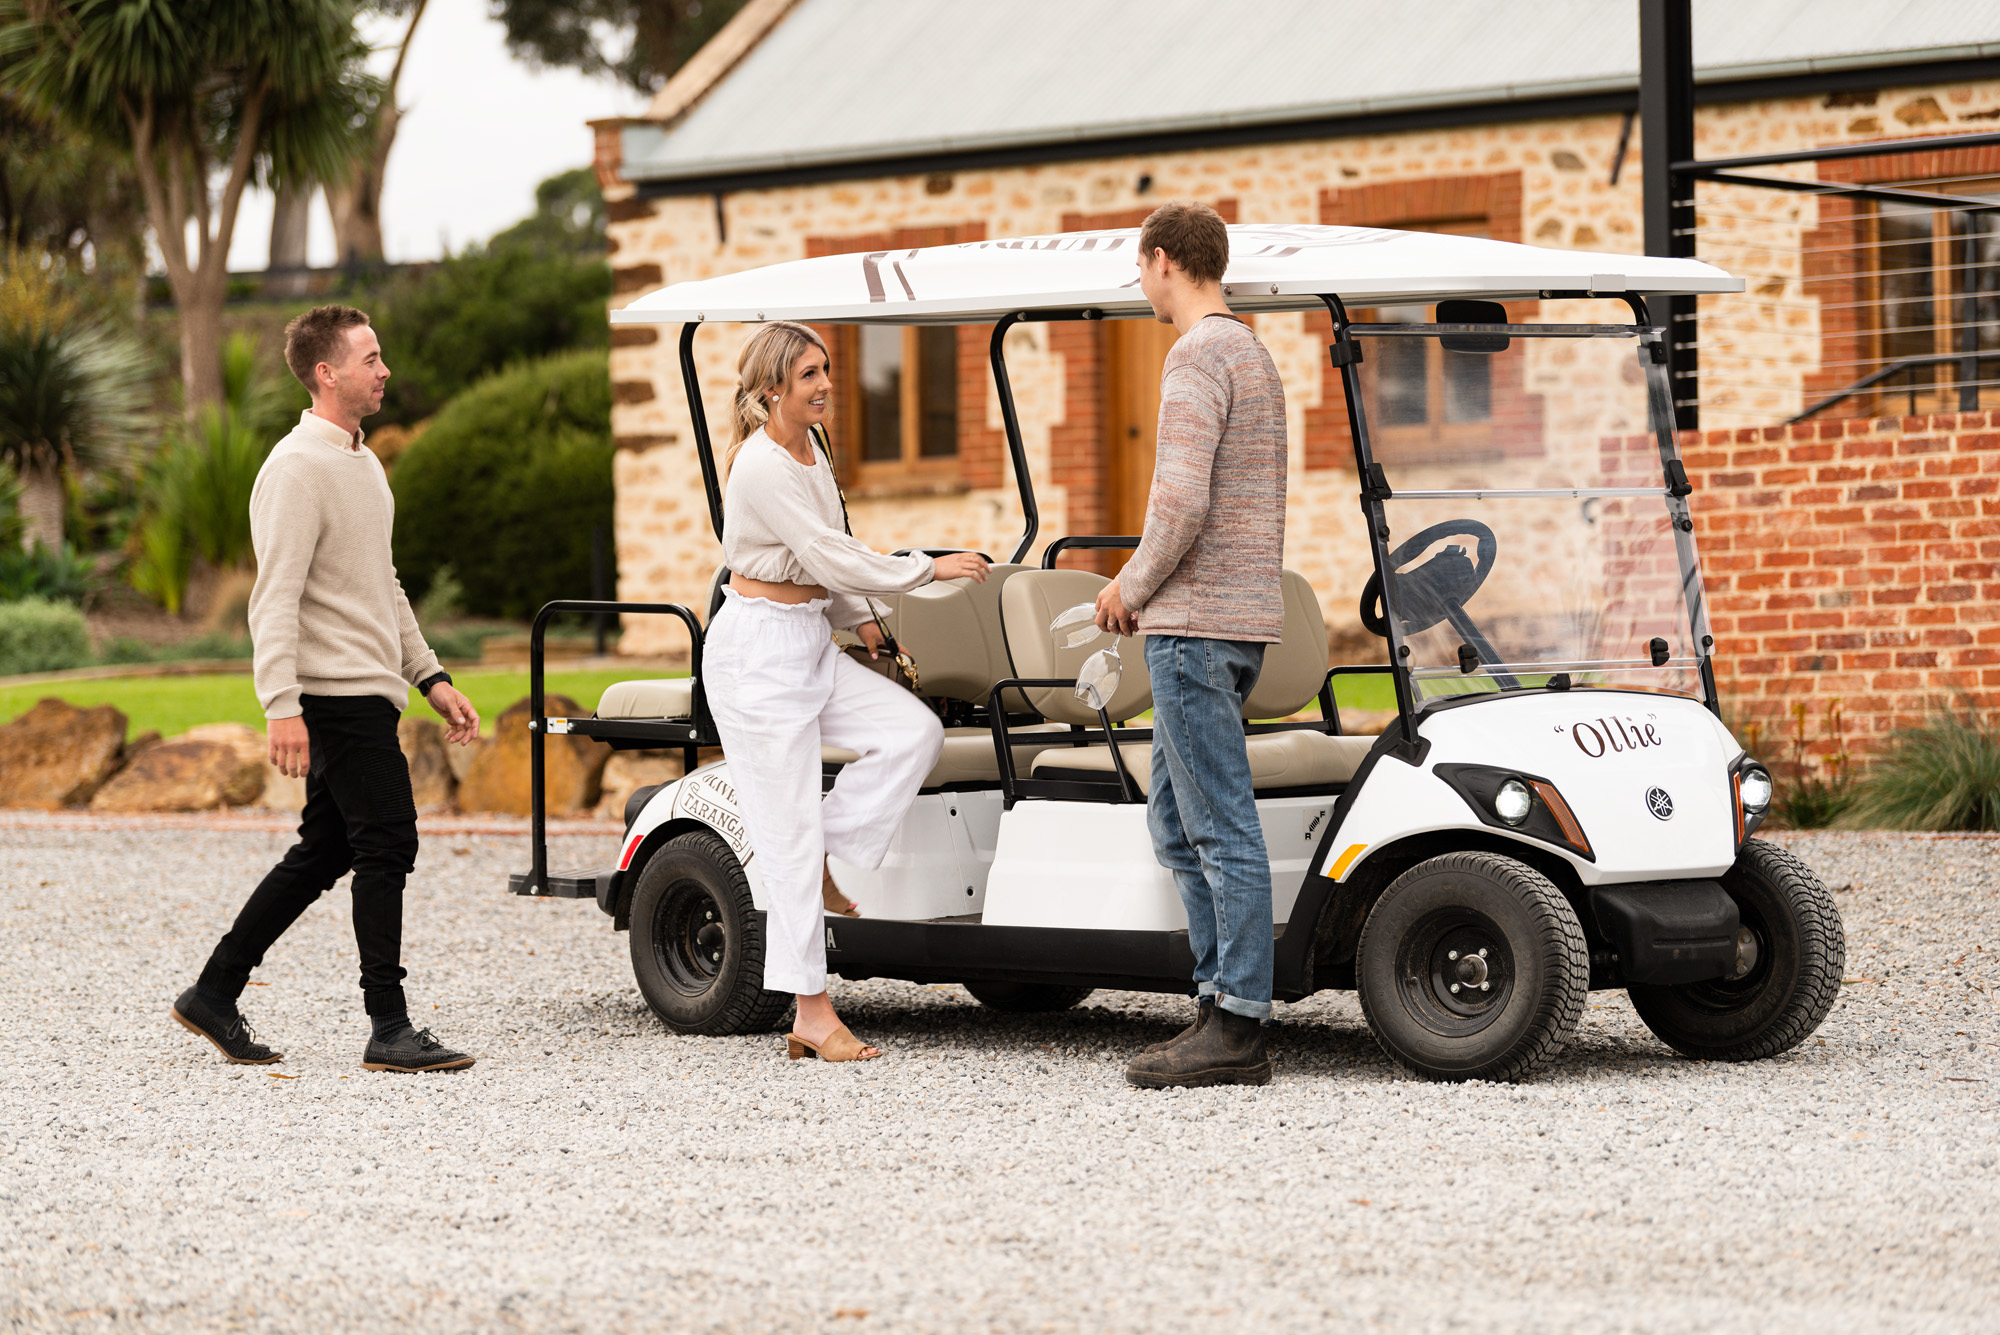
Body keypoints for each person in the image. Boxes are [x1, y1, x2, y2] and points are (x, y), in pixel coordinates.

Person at [170, 305, 483, 1074]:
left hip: (370, 689)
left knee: (326, 849)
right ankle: (389, 1024)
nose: (384, 370)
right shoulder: (295, 468)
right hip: (333, 696)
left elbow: (384, 584)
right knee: (388, 841)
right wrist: (281, 703)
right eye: (369, 358)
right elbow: (272, 597)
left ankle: (214, 991)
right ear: (325, 373)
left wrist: (431, 674)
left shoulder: (363, 464)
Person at [707, 321, 988, 1064]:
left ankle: (822, 846)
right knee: (789, 835)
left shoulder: (815, 453)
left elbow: (825, 559)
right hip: (757, 655)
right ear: (772, 389)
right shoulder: (762, 465)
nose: (825, 382)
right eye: (808, 374)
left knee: (912, 733)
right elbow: (830, 552)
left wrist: (862, 624)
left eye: (826, 369)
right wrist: (926, 567)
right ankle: (811, 1011)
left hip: (808, 640)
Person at [1094, 203, 1290, 1089]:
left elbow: (1179, 506)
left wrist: (1125, 587)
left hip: (1192, 629)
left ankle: (1240, 1022)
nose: (1141, 284)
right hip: (1239, 622)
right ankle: (1217, 999)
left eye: (1140, 268)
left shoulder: (1195, 355)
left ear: (1163, 261)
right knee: (1176, 822)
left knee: (1218, 828)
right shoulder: (1253, 353)